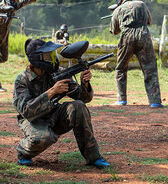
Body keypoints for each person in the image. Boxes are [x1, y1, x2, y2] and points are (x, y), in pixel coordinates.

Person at [13, 38, 110, 169]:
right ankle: (23, 152)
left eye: (52, 54)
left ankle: (94, 157)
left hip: (53, 113)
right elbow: (26, 111)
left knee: (78, 107)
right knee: (43, 138)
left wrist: (84, 83)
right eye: (48, 55)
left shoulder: (56, 73)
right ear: (37, 59)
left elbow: (83, 98)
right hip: (33, 120)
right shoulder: (22, 80)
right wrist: (51, 92)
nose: (52, 58)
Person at [110, 0, 163, 107]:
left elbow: (114, 31)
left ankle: (121, 100)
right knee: (150, 69)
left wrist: (120, 17)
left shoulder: (118, 10)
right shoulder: (141, 4)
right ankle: (155, 102)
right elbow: (149, 21)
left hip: (127, 37)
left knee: (121, 69)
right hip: (144, 36)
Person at [0, 0, 43, 92]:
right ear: (8, 1)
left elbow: (23, 1)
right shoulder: (2, 7)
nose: (16, 3)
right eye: (13, 1)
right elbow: (4, 8)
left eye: (16, 1)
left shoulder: (13, 7)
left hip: (3, 38)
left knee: (4, 58)